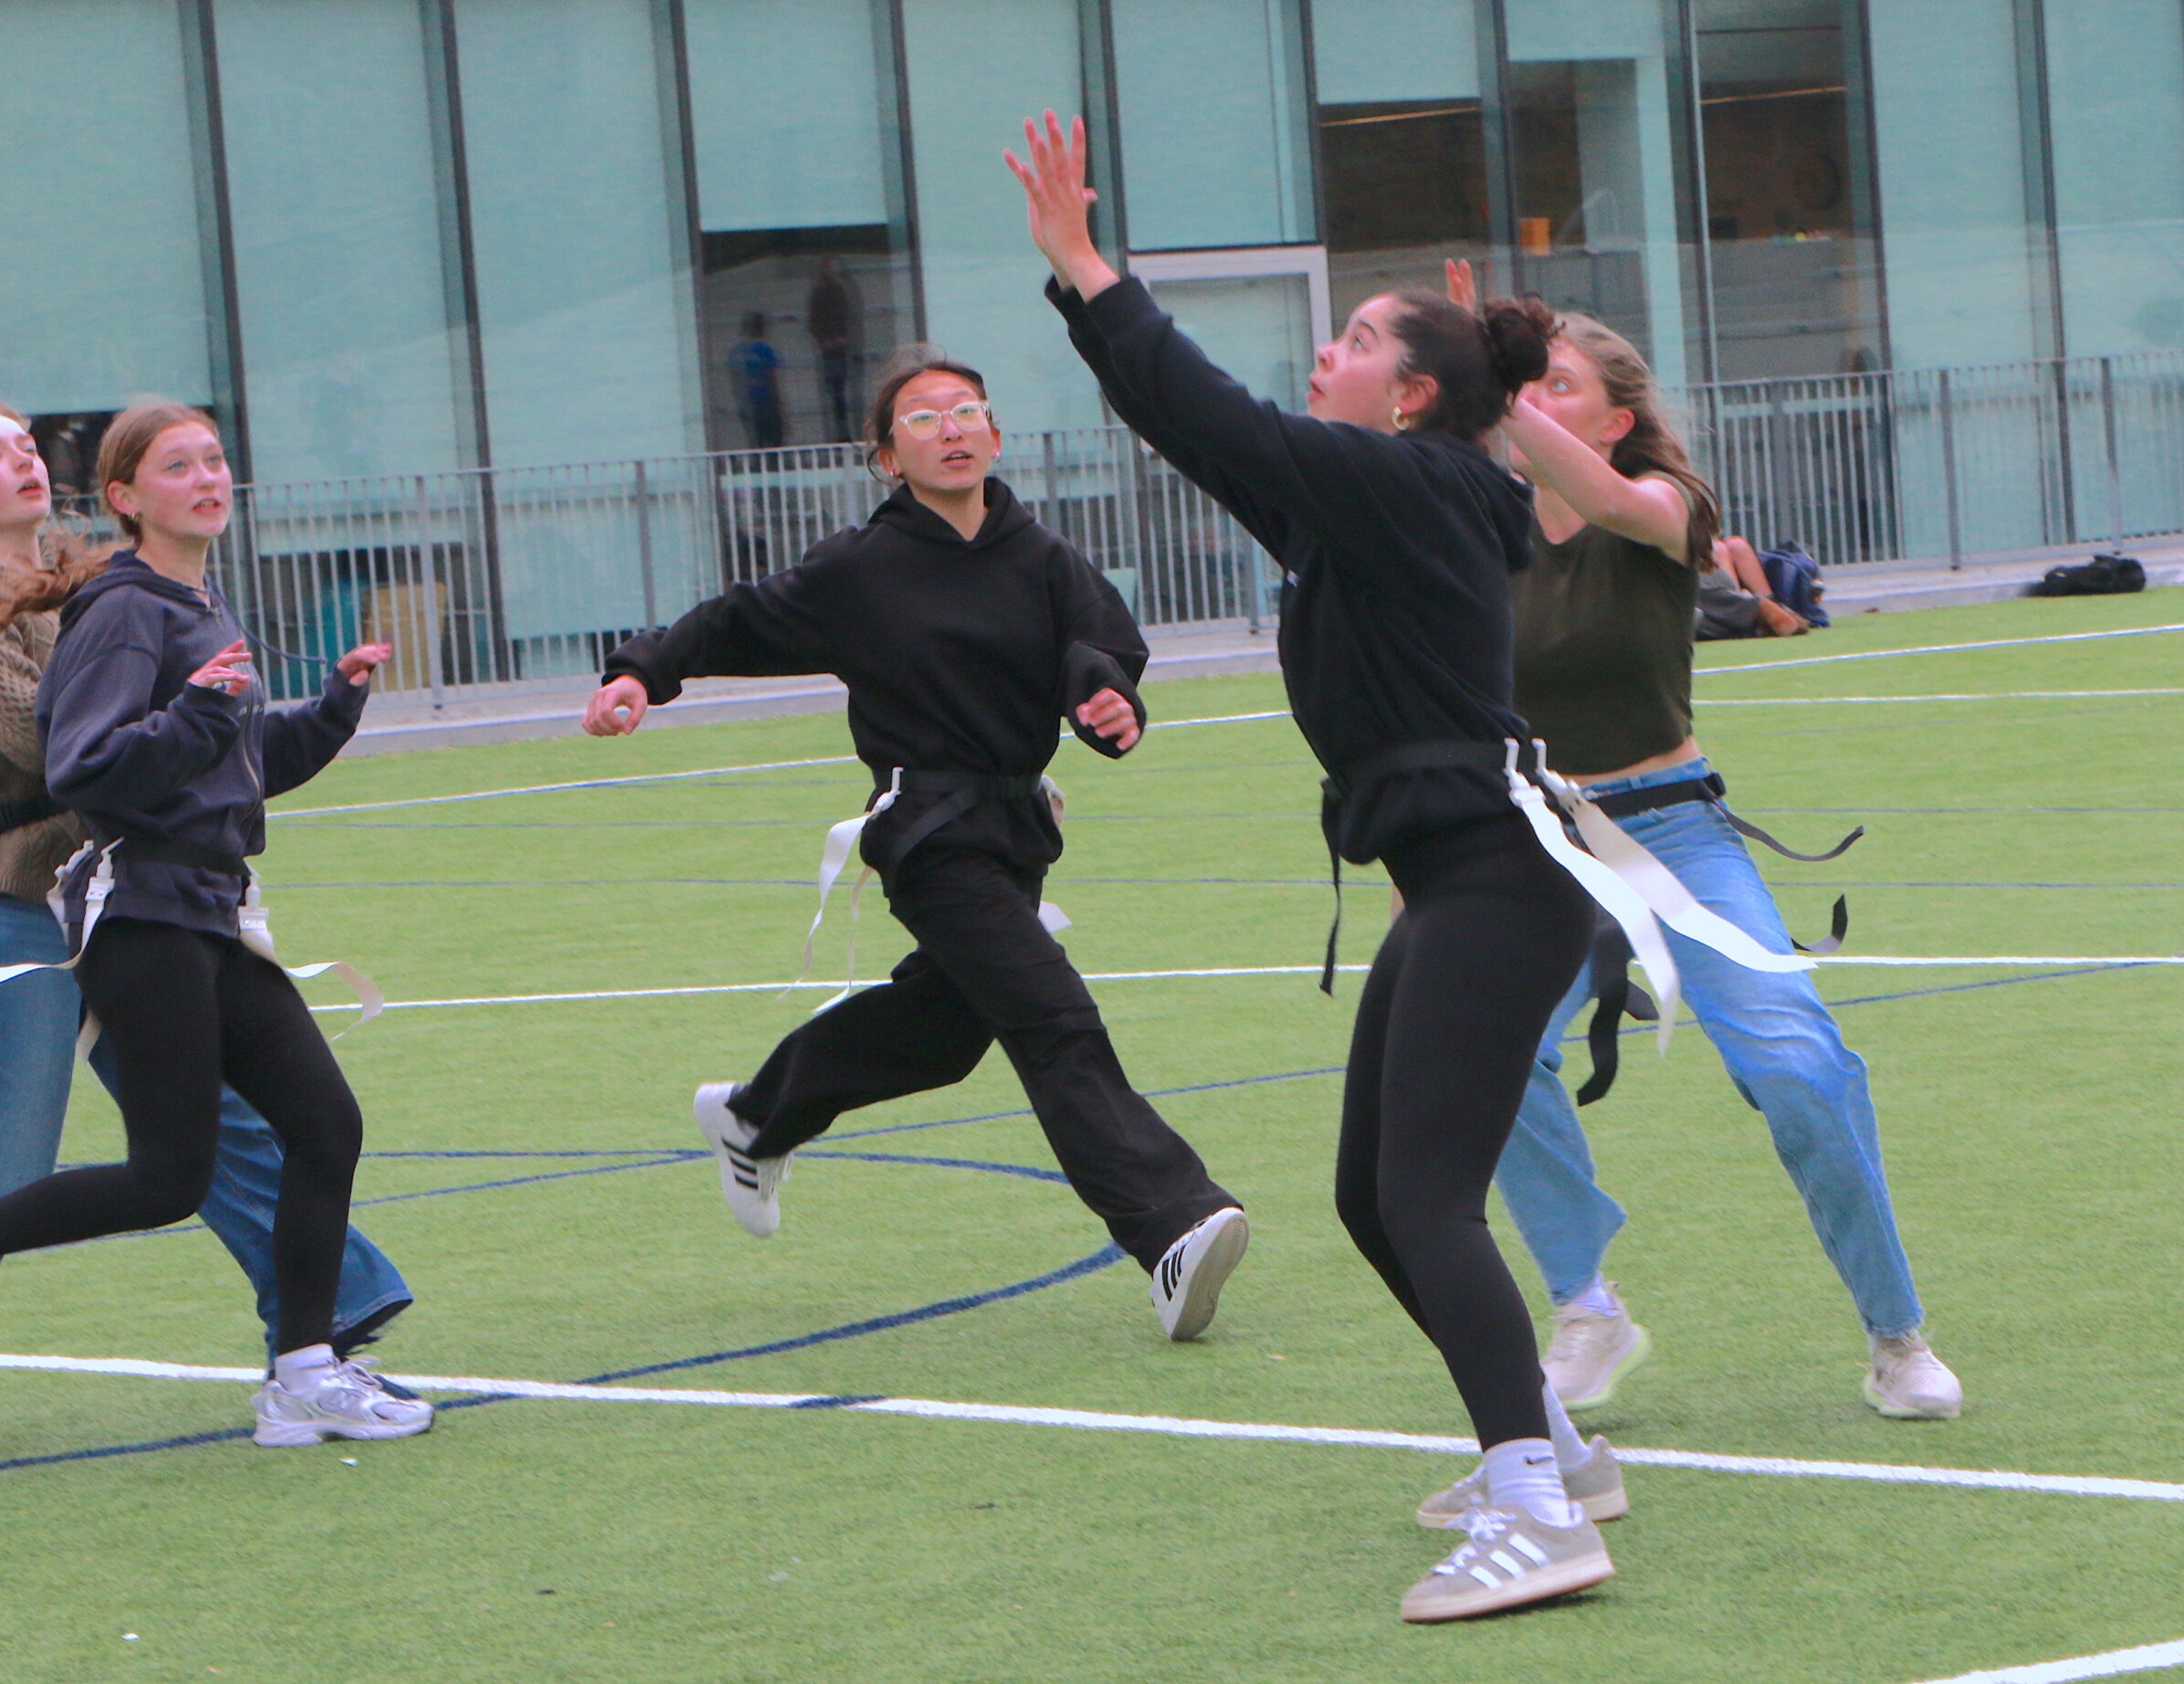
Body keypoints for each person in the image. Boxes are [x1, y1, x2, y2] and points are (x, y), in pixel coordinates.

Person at [1011, 112, 1614, 1622]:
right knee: (1374, 1191)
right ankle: (1556, 1447)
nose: (1324, 351)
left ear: (1409, 394)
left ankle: (1537, 1508)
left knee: (1429, 1198)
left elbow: (1216, 415)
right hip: (1460, 870)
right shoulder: (1376, 501)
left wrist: (1090, 265)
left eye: (1352, 337)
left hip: (1499, 872)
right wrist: (1091, 306)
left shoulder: (1404, 486)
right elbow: (1191, 430)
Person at [583, 348, 1250, 1343]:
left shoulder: (1045, 556)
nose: (951, 428)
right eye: (924, 417)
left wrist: (1107, 699)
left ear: (993, 435)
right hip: (929, 836)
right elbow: (733, 620)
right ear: (887, 456)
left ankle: (758, 1113)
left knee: (943, 1033)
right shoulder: (860, 567)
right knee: (1051, 1016)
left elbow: (1100, 651)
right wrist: (641, 672)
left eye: (968, 410)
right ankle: (1171, 1224)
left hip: (1017, 829)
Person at [0, 399, 432, 1448]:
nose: (23, 457)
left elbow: (182, 741)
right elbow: (58, 742)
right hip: (28, 899)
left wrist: (276, 719)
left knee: (235, 1122)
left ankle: (324, 1320)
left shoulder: (87, 585)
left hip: (133, 893)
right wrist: (189, 711)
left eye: (27, 442)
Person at [1443, 266, 1959, 1428]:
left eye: (1552, 382)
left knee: (1798, 1068)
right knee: (1483, 1058)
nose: (1527, 396)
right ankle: (1585, 1303)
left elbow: (1618, 509)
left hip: (1673, 824)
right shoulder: (1475, 517)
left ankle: (1894, 1333)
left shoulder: (1666, 500)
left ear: (1610, 419)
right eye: (1519, 382)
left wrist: (1492, 379)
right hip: (1529, 839)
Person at [807, 257, 857, 443]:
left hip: (836, 348)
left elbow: (845, 315)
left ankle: (843, 433)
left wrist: (840, 338)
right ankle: (840, 433)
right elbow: (815, 321)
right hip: (830, 348)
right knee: (836, 393)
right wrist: (825, 341)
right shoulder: (822, 293)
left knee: (838, 392)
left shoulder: (834, 292)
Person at [727, 311, 787, 449]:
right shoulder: (766, 350)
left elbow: (734, 380)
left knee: (756, 442)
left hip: (747, 402)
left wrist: (739, 401)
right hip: (767, 402)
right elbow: (773, 379)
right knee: (774, 443)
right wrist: (781, 408)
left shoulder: (737, 352)